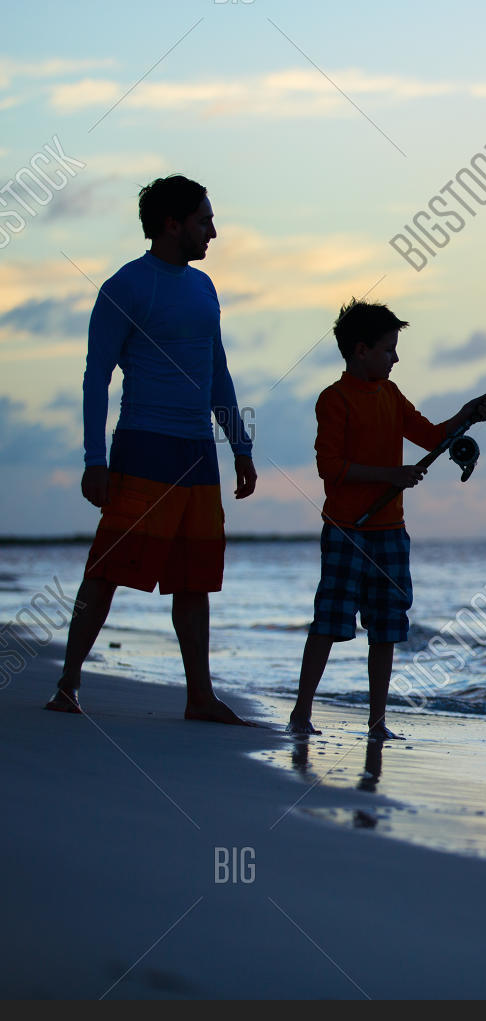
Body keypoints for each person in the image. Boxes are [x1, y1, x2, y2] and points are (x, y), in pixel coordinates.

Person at [46, 175, 257, 723]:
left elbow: (219, 372)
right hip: (143, 448)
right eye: (205, 220)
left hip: (198, 456)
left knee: (196, 578)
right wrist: (95, 460)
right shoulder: (126, 287)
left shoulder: (205, 288)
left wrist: (240, 444)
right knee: (108, 568)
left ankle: (199, 697)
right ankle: (68, 684)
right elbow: (97, 379)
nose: (214, 230)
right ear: (173, 223)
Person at [287, 299, 486, 738]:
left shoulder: (392, 394)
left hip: (391, 533)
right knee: (329, 621)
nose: (396, 358)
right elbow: (332, 468)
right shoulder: (334, 399)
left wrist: (468, 413)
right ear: (360, 350)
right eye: (388, 349)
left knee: (385, 629)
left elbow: (433, 437)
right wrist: (393, 476)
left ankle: (377, 722)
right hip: (347, 529)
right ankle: (301, 713)